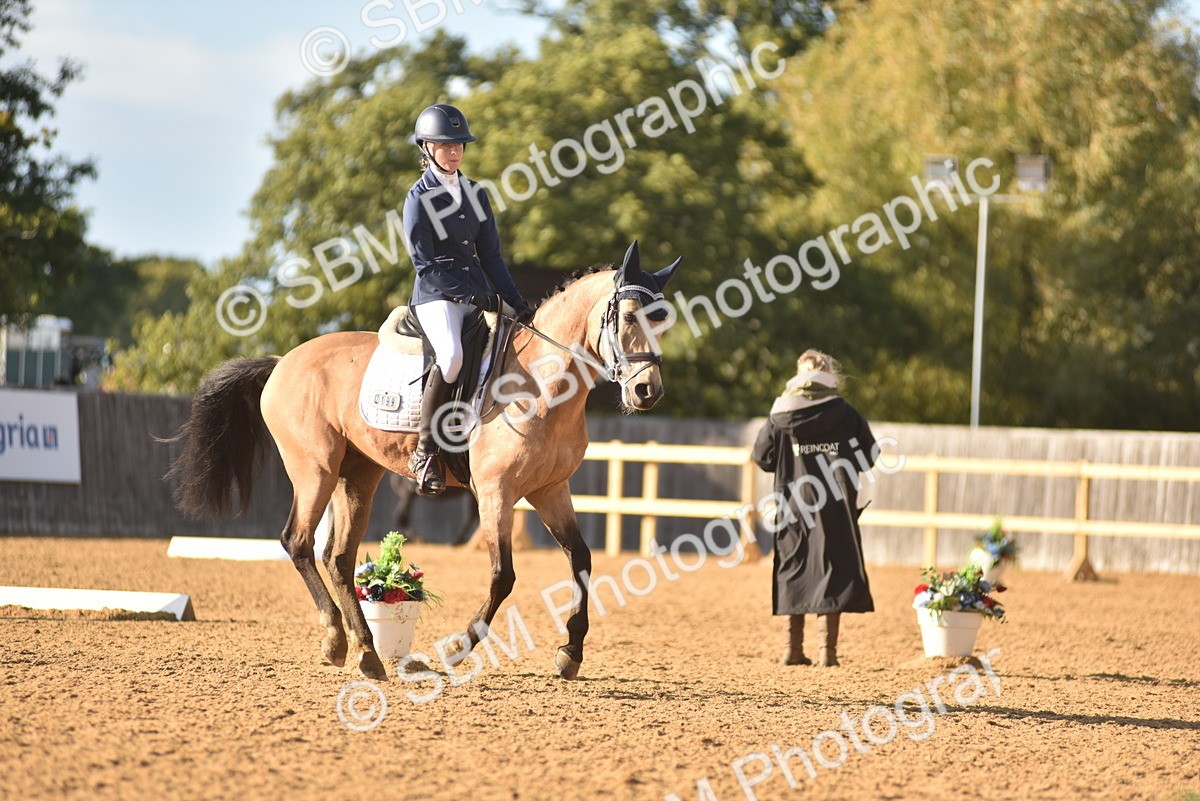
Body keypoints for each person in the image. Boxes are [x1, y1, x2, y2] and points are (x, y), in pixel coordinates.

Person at [402, 103, 535, 496]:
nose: (455, 150)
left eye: (460, 143)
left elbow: (491, 257)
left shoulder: (475, 192)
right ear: (426, 147)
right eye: (446, 144)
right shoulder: (417, 199)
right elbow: (424, 264)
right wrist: (474, 295)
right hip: (436, 296)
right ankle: (424, 451)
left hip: (476, 292)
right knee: (453, 357)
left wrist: (517, 302)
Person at [751, 350, 877, 667]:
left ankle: (792, 650)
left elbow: (762, 457)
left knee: (793, 568)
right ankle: (827, 653)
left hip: (792, 504)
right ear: (829, 375)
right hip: (835, 506)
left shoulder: (779, 415)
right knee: (831, 571)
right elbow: (869, 455)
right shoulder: (846, 414)